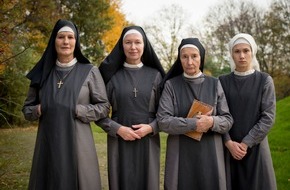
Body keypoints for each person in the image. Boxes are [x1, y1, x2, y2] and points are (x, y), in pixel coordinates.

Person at [22, 19, 110, 190]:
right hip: (48, 143)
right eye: (61, 37)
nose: (66, 42)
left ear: (76, 42)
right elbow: (27, 109)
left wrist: (77, 109)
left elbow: (104, 106)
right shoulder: (43, 72)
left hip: (79, 143)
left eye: (70, 37)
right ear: (54, 40)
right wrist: (39, 109)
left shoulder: (90, 71)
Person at [157, 37, 233, 190]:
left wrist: (211, 122)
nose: (189, 62)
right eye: (184, 57)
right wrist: (194, 124)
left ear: (201, 57)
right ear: (179, 59)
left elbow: (228, 120)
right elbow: (163, 121)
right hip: (180, 152)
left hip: (211, 152)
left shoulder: (215, 83)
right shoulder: (171, 85)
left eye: (194, 56)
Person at [97, 25, 165, 190]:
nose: (133, 47)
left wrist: (150, 128)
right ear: (122, 45)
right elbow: (99, 112)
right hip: (118, 139)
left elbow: (165, 113)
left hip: (148, 139)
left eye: (137, 42)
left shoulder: (156, 76)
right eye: (128, 42)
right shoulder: (110, 76)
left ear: (144, 45)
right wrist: (118, 129)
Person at [219, 33, 277, 190]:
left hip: (256, 148)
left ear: (253, 52)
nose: (242, 56)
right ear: (231, 54)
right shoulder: (222, 81)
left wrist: (246, 143)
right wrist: (228, 142)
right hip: (229, 149)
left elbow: (268, 117)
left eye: (246, 50)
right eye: (237, 51)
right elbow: (218, 115)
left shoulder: (264, 80)